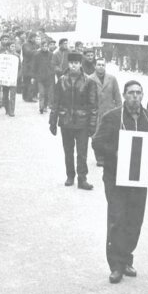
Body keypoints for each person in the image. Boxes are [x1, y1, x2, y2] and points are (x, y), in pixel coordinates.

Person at [92, 80, 148, 284]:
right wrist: (116, 152)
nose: (135, 97)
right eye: (131, 93)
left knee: (134, 220)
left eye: (139, 93)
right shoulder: (112, 117)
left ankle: (127, 258)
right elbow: (97, 142)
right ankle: (115, 265)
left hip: (138, 177)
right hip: (116, 178)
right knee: (117, 219)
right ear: (124, 95)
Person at [49, 51, 98, 190]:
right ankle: (70, 175)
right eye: (71, 63)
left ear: (80, 64)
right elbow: (55, 103)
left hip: (82, 122)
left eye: (76, 63)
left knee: (82, 152)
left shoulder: (89, 82)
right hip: (66, 122)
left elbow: (93, 106)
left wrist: (92, 124)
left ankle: (82, 178)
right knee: (68, 151)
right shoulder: (62, 80)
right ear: (68, 64)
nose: (73, 66)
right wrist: (53, 122)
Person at [89, 57, 122, 166]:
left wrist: (120, 110)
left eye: (103, 65)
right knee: (96, 136)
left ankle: (107, 155)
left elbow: (117, 96)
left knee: (109, 135)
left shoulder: (112, 79)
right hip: (95, 113)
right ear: (95, 66)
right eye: (98, 64)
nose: (101, 67)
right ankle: (99, 157)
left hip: (109, 112)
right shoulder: (89, 79)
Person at [0, 41, 21, 117]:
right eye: (12, 46)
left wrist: (18, 76)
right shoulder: (3, 56)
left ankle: (12, 111)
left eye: (14, 46)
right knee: (5, 95)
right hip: (5, 79)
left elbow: (20, 67)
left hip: (13, 79)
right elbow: (0, 67)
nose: (13, 48)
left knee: (13, 95)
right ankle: (7, 109)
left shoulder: (17, 56)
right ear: (8, 47)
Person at [32, 38, 55, 114]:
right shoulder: (37, 55)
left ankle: (45, 106)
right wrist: (33, 76)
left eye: (46, 46)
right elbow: (34, 66)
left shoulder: (51, 55)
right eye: (43, 46)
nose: (45, 47)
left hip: (49, 77)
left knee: (47, 93)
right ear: (41, 46)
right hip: (40, 77)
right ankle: (41, 107)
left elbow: (53, 66)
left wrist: (52, 73)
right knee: (41, 93)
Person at [20, 33, 39, 102]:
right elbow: (28, 53)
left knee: (30, 82)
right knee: (26, 81)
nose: (35, 39)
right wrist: (37, 51)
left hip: (32, 65)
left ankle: (29, 97)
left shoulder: (34, 45)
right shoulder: (25, 44)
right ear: (31, 38)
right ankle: (26, 97)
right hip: (27, 65)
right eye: (34, 38)